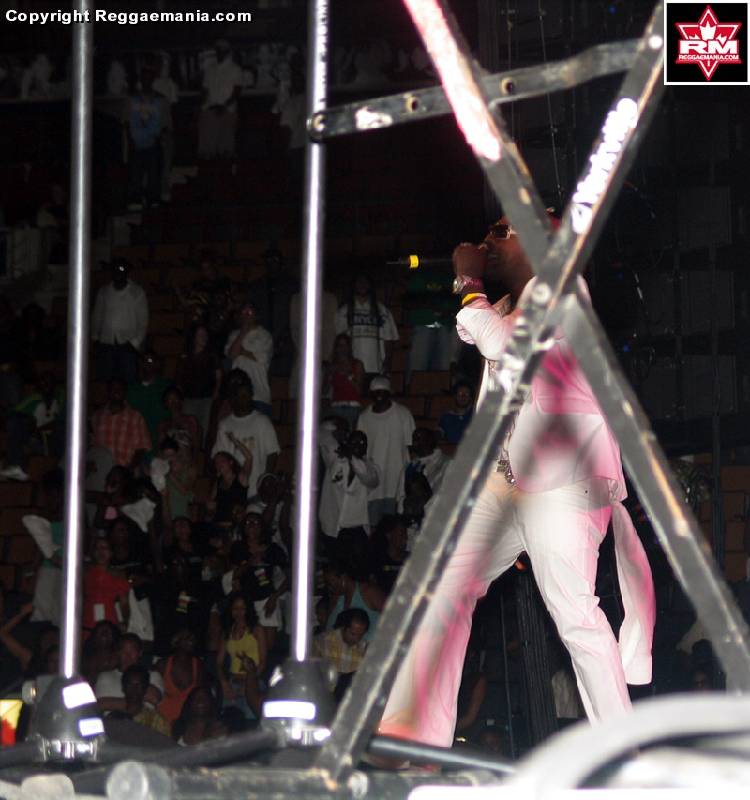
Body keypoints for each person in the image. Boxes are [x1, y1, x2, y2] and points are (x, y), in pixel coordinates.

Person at [379, 216, 656, 747]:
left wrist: (469, 284)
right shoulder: (510, 305)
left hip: (563, 481)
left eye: (501, 231)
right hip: (507, 483)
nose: (487, 241)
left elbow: (506, 345)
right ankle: (412, 737)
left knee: (575, 615)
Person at [357, 376, 415, 527]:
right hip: (374, 483)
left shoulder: (403, 414)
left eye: (382, 392)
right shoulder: (364, 418)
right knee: (374, 527)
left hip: (397, 480)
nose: (379, 396)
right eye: (375, 392)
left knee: (395, 526)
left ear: (389, 393)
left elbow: (411, 445)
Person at [212, 380, 280, 500]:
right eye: (242, 396)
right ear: (234, 398)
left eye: (248, 395)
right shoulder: (225, 424)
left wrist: (264, 480)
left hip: (256, 490)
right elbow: (220, 456)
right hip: (233, 491)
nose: (246, 399)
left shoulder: (262, 421)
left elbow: (272, 452)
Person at [91, 260, 149, 385]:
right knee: (105, 381)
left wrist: (135, 343)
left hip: (128, 345)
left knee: (129, 381)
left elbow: (143, 321)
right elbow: (97, 316)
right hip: (106, 343)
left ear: (127, 272)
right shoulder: (104, 292)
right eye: (115, 269)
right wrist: (95, 337)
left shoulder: (137, 292)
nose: (118, 272)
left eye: (122, 269)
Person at [0, 372, 64, 481]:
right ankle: (15, 466)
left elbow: (61, 420)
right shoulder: (34, 399)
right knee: (16, 423)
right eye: (42, 382)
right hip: (37, 441)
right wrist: (29, 421)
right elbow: (13, 414)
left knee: (61, 429)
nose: (46, 385)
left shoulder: (61, 396)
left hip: (56, 440)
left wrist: (39, 429)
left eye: (49, 382)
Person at [318, 429, 379, 541]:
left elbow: (369, 479)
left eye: (362, 443)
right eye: (354, 442)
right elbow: (322, 434)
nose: (358, 445)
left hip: (357, 527)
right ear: (348, 444)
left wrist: (350, 456)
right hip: (333, 526)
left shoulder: (371, 467)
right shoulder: (336, 460)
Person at [335, 274, 399, 377]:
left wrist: (387, 363)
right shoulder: (343, 312)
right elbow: (339, 341)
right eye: (359, 281)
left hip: (376, 367)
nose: (362, 285)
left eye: (365, 282)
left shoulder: (382, 311)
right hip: (352, 369)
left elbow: (389, 340)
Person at [176, 323, 222, 446]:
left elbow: (219, 376)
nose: (204, 337)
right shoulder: (186, 356)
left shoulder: (212, 355)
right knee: (187, 429)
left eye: (205, 334)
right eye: (201, 334)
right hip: (189, 398)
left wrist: (216, 392)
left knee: (203, 428)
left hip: (206, 398)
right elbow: (180, 378)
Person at [224, 301, 273, 417]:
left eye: (249, 312)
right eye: (244, 312)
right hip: (237, 394)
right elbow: (232, 354)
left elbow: (262, 358)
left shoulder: (264, 335)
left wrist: (242, 351)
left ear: (256, 315)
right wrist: (243, 333)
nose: (246, 315)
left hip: (259, 395)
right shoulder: (234, 335)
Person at [91, 379, 152, 467]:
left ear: (125, 392)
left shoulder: (135, 417)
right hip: (100, 469)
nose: (116, 391)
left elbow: (142, 448)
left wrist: (129, 469)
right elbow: (92, 445)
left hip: (124, 468)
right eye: (113, 389)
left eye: (120, 389)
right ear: (108, 392)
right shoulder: (97, 416)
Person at [198, 40, 243, 160]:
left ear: (227, 52)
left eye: (222, 50)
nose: (219, 52)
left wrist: (224, 106)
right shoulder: (210, 69)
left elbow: (237, 91)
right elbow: (205, 91)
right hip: (210, 109)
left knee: (226, 148)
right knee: (207, 149)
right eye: (218, 50)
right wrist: (202, 108)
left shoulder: (235, 69)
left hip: (227, 110)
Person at [314, 608, 369, 703]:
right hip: (323, 696)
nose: (356, 639)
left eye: (360, 635)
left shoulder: (365, 648)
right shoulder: (323, 641)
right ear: (344, 627)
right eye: (353, 634)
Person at [127, 69, 163, 210]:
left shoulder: (158, 100)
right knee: (136, 174)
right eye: (144, 78)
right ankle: (136, 199)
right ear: (141, 80)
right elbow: (129, 122)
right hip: (136, 144)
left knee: (153, 175)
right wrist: (131, 140)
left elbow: (158, 125)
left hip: (152, 144)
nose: (147, 81)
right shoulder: (133, 99)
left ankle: (152, 199)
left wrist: (155, 137)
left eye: (149, 78)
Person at [126, 351, 173, 452]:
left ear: (157, 364)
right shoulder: (131, 389)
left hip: (160, 441)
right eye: (143, 361)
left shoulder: (166, 387)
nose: (146, 364)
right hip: (137, 442)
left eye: (150, 360)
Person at [396, 427, 449, 511]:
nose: (415, 443)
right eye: (414, 440)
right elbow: (400, 497)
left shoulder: (447, 464)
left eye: (420, 439)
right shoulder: (409, 468)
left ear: (430, 441)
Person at [323, 333, 366, 431]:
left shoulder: (357, 364)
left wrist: (348, 375)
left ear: (349, 348)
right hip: (336, 407)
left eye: (345, 345)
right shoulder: (332, 366)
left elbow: (359, 390)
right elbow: (324, 391)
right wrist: (329, 375)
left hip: (353, 407)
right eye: (340, 345)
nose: (342, 349)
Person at [438, 381, 475, 445]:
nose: (463, 396)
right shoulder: (446, 417)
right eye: (460, 393)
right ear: (455, 396)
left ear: (470, 397)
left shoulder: (476, 416)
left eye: (466, 394)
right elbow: (439, 433)